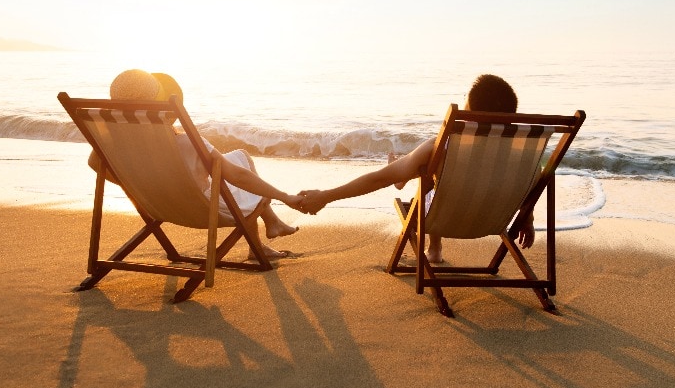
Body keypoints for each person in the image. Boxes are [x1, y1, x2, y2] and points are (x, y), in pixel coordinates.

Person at [297, 74, 529, 263]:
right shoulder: (523, 152)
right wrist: (526, 218)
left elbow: (379, 179)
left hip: (442, 218)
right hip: (494, 220)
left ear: (469, 112)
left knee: (429, 169)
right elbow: (529, 183)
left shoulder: (444, 146)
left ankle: (431, 241)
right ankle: (406, 172)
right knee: (432, 169)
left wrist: (326, 196)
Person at [88, 69, 303, 260]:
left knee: (239, 155)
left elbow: (94, 162)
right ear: (159, 102)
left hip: (157, 204)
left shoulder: (113, 143)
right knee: (243, 167)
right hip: (203, 207)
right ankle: (261, 240)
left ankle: (268, 230)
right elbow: (238, 177)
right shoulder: (186, 143)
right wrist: (285, 196)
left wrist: (135, 187)